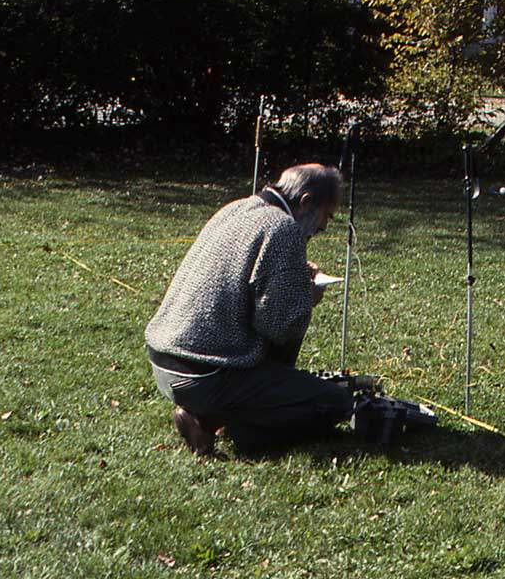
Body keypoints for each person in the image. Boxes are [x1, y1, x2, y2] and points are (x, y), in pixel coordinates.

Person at [145, 163, 351, 456]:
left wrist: (292, 274)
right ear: (305, 201)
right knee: (336, 402)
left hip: (165, 360)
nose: (323, 227)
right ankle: (215, 421)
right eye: (326, 215)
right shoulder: (283, 227)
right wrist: (307, 296)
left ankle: (216, 412)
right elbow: (279, 327)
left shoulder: (237, 208)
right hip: (208, 374)